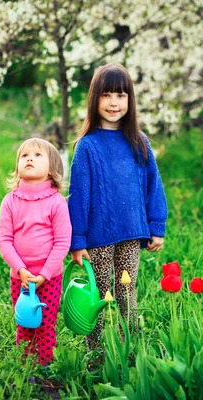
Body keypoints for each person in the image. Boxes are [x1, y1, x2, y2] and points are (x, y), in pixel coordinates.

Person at [68, 64, 168, 351]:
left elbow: (154, 185)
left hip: (131, 233)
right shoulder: (87, 146)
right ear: (94, 99)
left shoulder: (139, 141)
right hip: (98, 237)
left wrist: (156, 226)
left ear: (130, 100)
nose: (114, 103)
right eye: (107, 95)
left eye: (121, 95)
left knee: (127, 290)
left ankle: (130, 346)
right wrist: (78, 241)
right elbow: (78, 197)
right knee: (99, 293)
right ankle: (95, 351)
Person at [0, 137, 72, 366]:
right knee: (25, 321)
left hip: (48, 277)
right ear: (17, 166)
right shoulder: (10, 201)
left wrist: (44, 274)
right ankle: (25, 365)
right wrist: (20, 269)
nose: (29, 158)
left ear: (52, 169)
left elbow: (62, 242)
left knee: (46, 324)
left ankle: (47, 365)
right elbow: (3, 240)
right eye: (24, 155)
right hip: (20, 278)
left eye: (38, 155)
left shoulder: (56, 203)